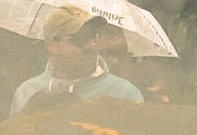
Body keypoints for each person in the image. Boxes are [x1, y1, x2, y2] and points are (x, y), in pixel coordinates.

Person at [8, 9, 147, 116]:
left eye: (94, 35)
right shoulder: (27, 92)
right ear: (52, 44)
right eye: (79, 38)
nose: (91, 45)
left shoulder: (124, 93)